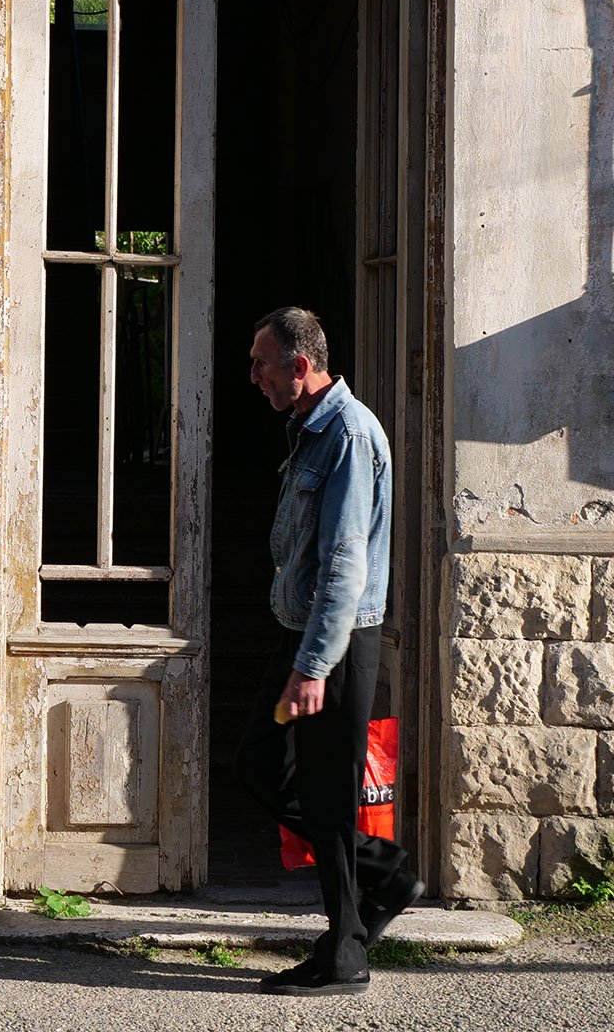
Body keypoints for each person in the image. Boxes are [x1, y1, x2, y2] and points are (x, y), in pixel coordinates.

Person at [235, 306, 422, 996]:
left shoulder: (347, 434)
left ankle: (345, 953)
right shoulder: (310, 428)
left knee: (326, 796)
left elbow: (346, 562)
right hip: (304, 632)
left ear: (300, 366)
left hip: (335, 642)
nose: (253, 376)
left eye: (261, 363)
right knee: (260, 764)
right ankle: (383, 875)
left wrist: (315, 667)